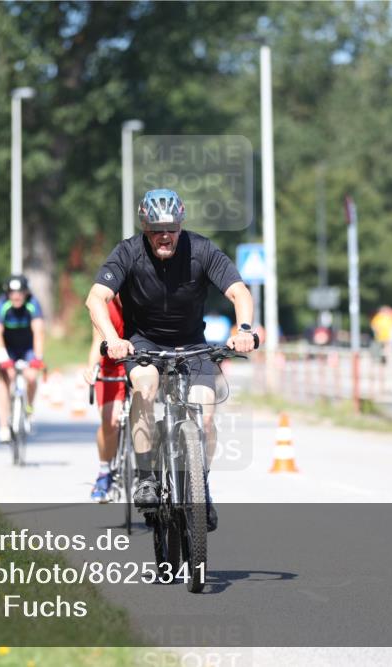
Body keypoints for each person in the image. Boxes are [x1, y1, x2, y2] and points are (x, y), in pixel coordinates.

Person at [85, 188, 256, 531]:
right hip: (143, 343)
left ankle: (200, 486)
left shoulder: (201, 249)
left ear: (181, 225)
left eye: (171, 228)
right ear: (145, 229)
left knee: (205, 412)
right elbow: (96, 298)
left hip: (192, 343)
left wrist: (246, 329)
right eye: (156, 229)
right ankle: (147, 477)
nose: (165, 235)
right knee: (144, 388)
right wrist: (113, 338)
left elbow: (239, 290)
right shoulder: (128, 252)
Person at [0, 274, 45, 444]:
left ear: (26, 292)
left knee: (31, 377)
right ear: (7, 293)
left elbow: (39, 332)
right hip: (9, 348)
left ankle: (28, 410)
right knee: (6, 380)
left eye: (20, 292)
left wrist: (37, 358)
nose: (16, 296)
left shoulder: (33, 304)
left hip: (27, 347)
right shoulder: (2, 304)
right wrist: (4, 359)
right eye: (12, 292)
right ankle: (3, 426)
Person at [83, 295, 126, 502]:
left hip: (141, 365)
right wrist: (92, 367)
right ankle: (104, 472)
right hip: (111, 367)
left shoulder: (147, 299)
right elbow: (97, 342)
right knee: (111, 420)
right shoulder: (106, 307)